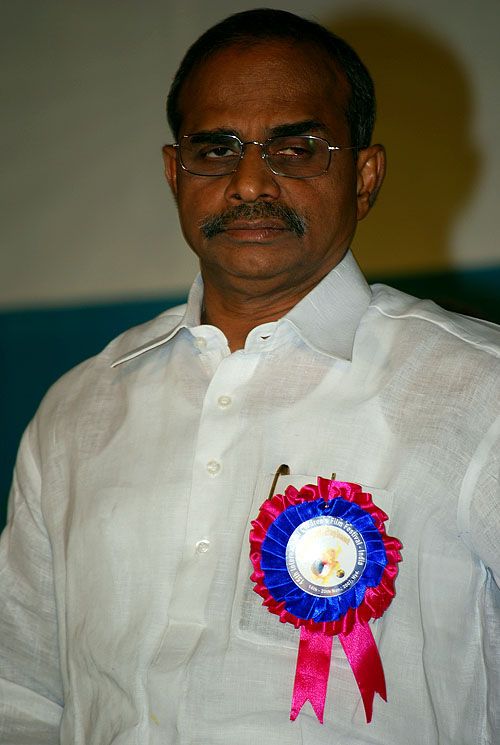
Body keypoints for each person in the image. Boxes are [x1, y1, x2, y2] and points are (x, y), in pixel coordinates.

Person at [0, 8, 498, 745]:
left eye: (296, 149)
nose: (249, 182)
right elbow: (21, 692)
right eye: (216, 149)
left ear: (364, 178)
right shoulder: (79, 409)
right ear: (175, 174)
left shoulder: (478, 391)